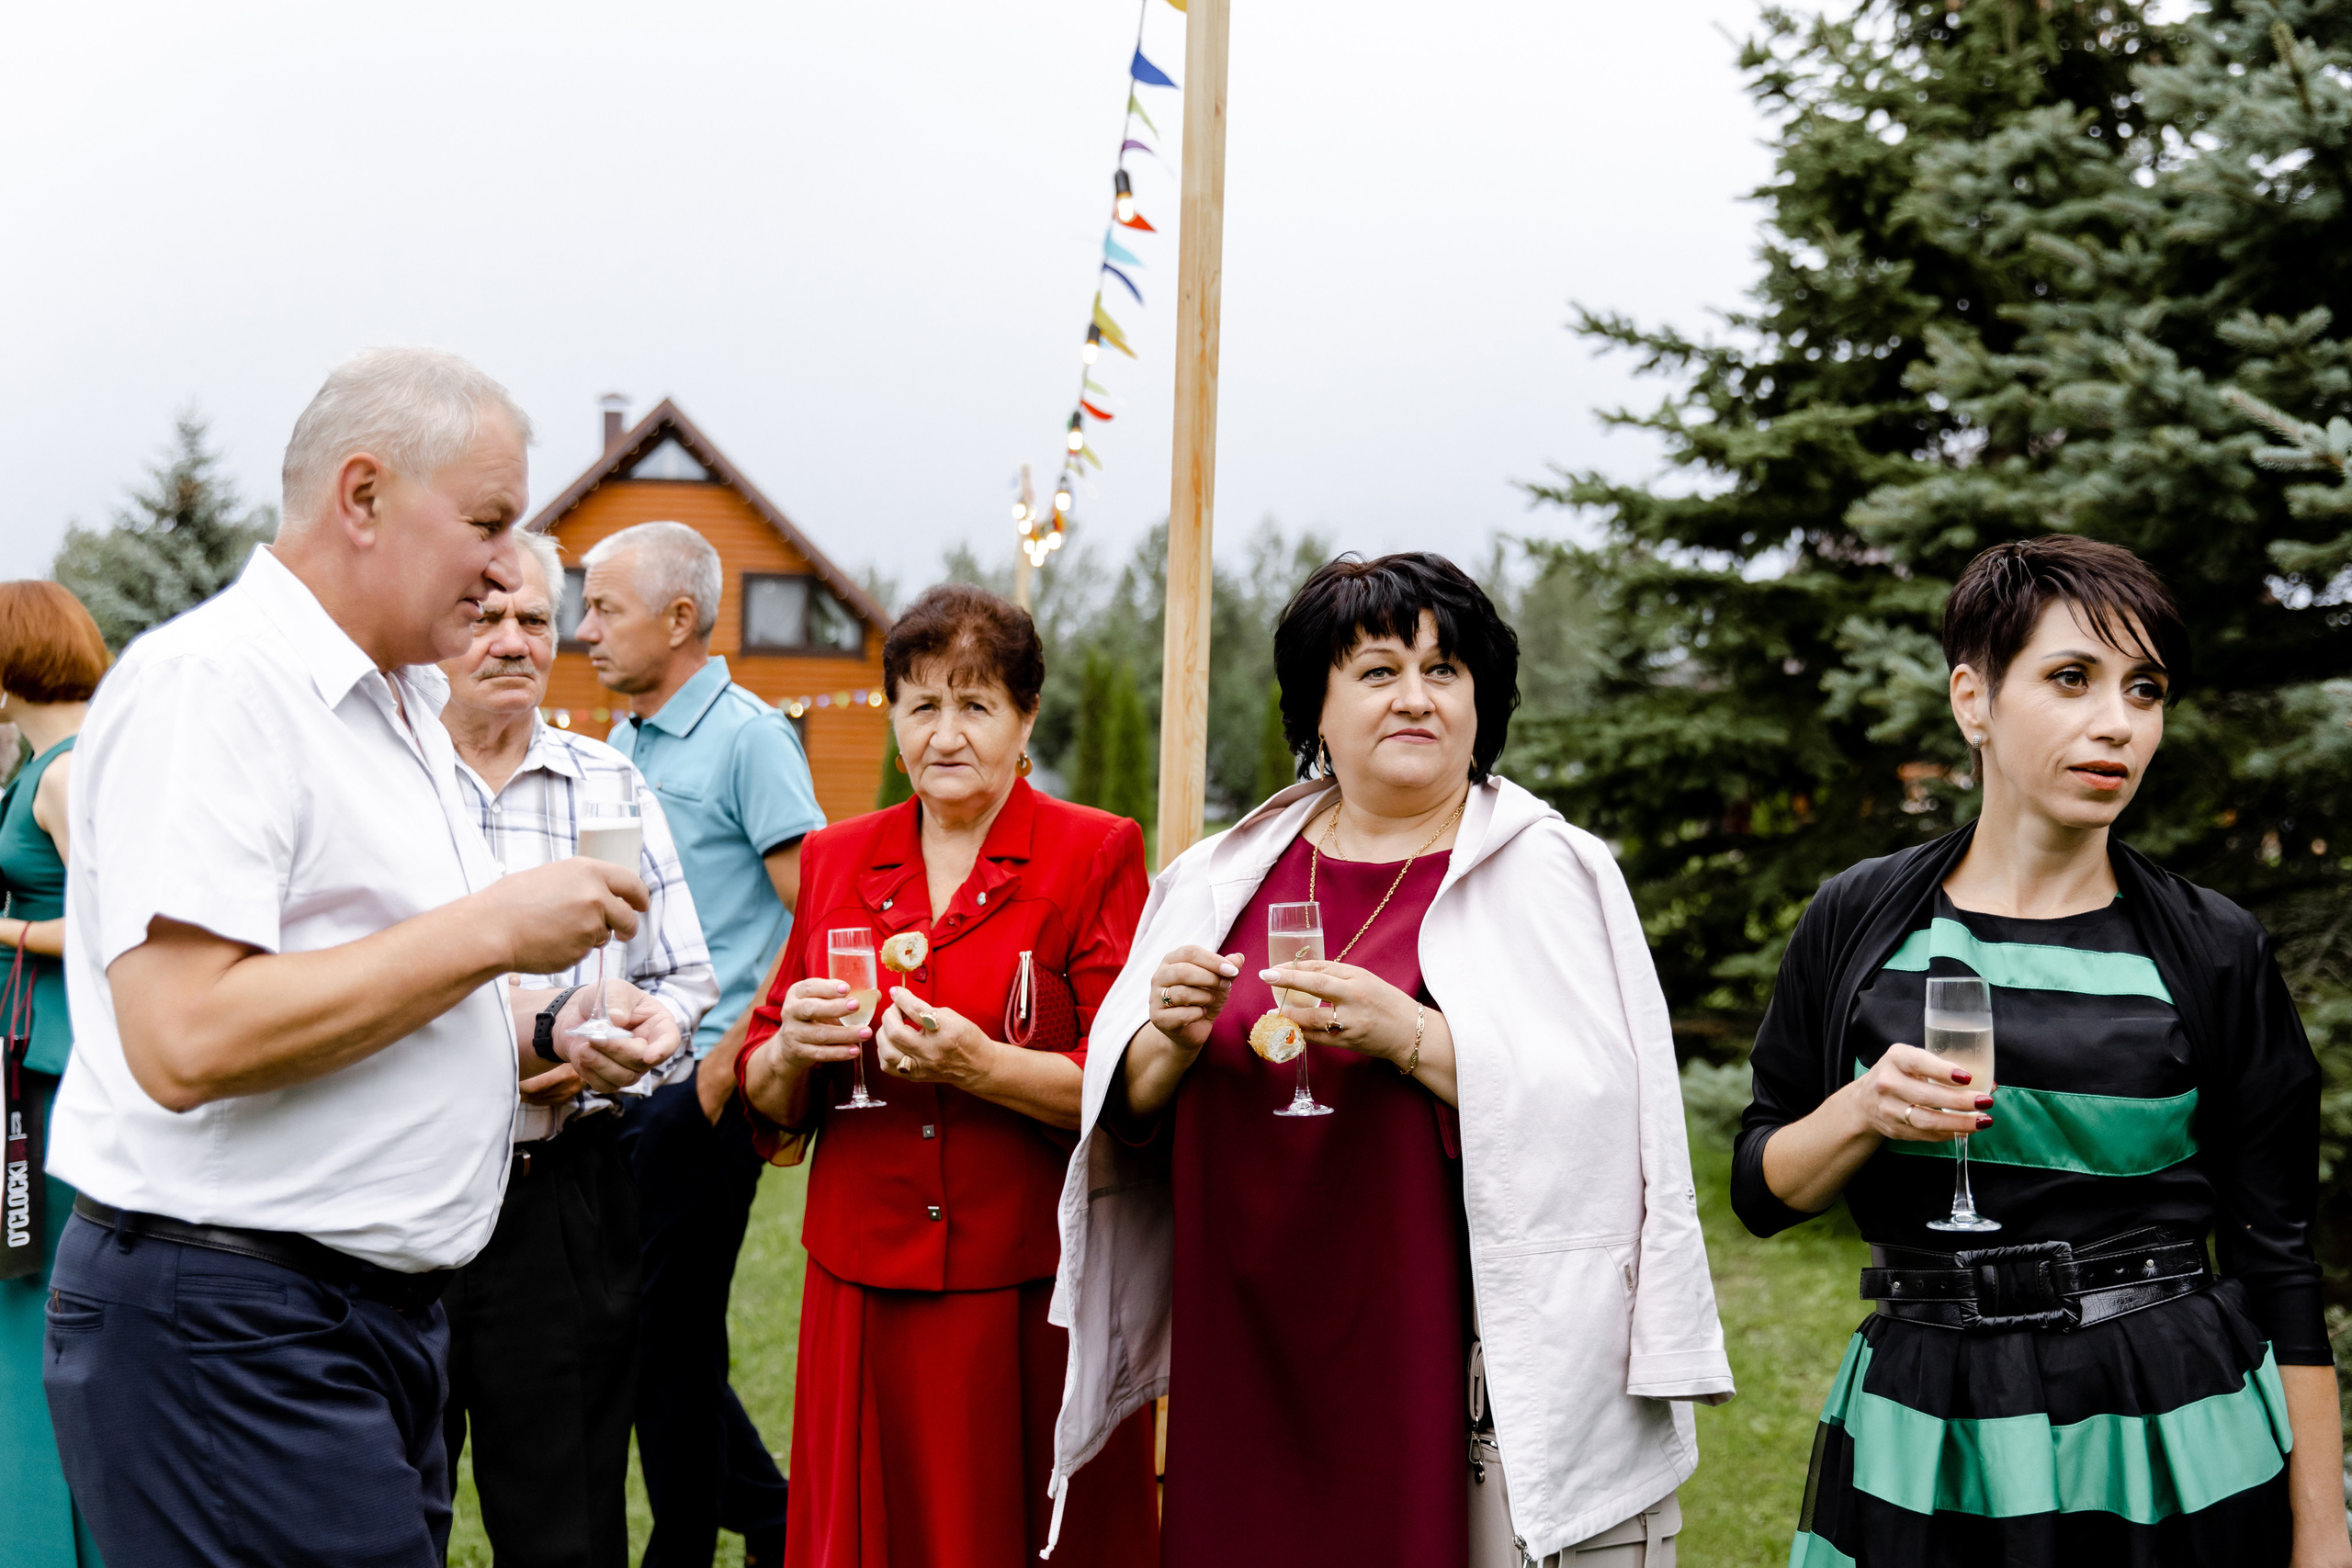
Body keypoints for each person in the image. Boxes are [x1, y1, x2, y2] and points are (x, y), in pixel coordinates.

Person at [41, 347, 681, 1568]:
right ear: (364, 494)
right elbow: (186, 1035)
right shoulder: (217, 686)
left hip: (349, 1320)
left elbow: (389, 990)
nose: (512, 565)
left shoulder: (390, 711)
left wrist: (555, 1027)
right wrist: (496, 925)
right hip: (233, 1319)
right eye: (489, 521)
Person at [1048, 552, 1732, 1568]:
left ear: (1481, 701)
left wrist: (1412, 1037)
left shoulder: (1549, 869)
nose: (1414, 697)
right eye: (1376, 671)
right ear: (1314, 709)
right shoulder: (1217, 875)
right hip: (1244, 1341)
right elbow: (1127, 1111)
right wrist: (1166, 1036)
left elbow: (1608, 1114)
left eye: (1443, 671)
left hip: (1438, 1342)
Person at [1735, 536, 2352, 1567]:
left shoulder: (2210, 945)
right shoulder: (1857, 918)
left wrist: (2324, 1534)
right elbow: (1758, 1190)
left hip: (2168, 1421)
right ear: (1972, 702)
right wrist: (1860, 1112)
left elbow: (2276, 1259)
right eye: (2071, 679)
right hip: (1924, 1421)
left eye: (2143, 689)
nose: (2115, 722)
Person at [734, 583, 1160, 1568]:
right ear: (891, 718)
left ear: (1026, 720)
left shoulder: (1095, 851)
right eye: (921, 705)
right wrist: (792, 1048)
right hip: (863, 1280)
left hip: (1027, 1284)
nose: (945, 733)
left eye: (975, 705)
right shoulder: (837, 859)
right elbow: (765, 1090)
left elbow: (1127, 1086)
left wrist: (980, 1067)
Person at [436, 529, 718, 1568]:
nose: (512, 642)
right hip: (400, 1185)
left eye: (535, 621)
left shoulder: (610, 784)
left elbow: (685, 982)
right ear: (435, 628)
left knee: (570, 1530)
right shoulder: (386, 784)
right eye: (484, 617)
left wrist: (653, 1036)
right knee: (378, 1513)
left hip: (560, 1192)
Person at [579, 519, 822, 1567]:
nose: (582, 630)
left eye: (604, 608)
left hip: (704, 1093)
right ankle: (772, 1521)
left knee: (667, 1345)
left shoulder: (750, 737)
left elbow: (811, 915)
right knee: (649, 1340)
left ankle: (691, 1546)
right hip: (624, 1084)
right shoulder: (622, 744)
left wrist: (723, 1072)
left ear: (679, 618)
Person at [0, 581, 107, 1567]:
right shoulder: (43, 761)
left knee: (35, 1299)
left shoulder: (69, 774)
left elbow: (112, 926)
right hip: (24, 1064)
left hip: (55, 1070)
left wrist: (5, 931)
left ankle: (49, 1540)